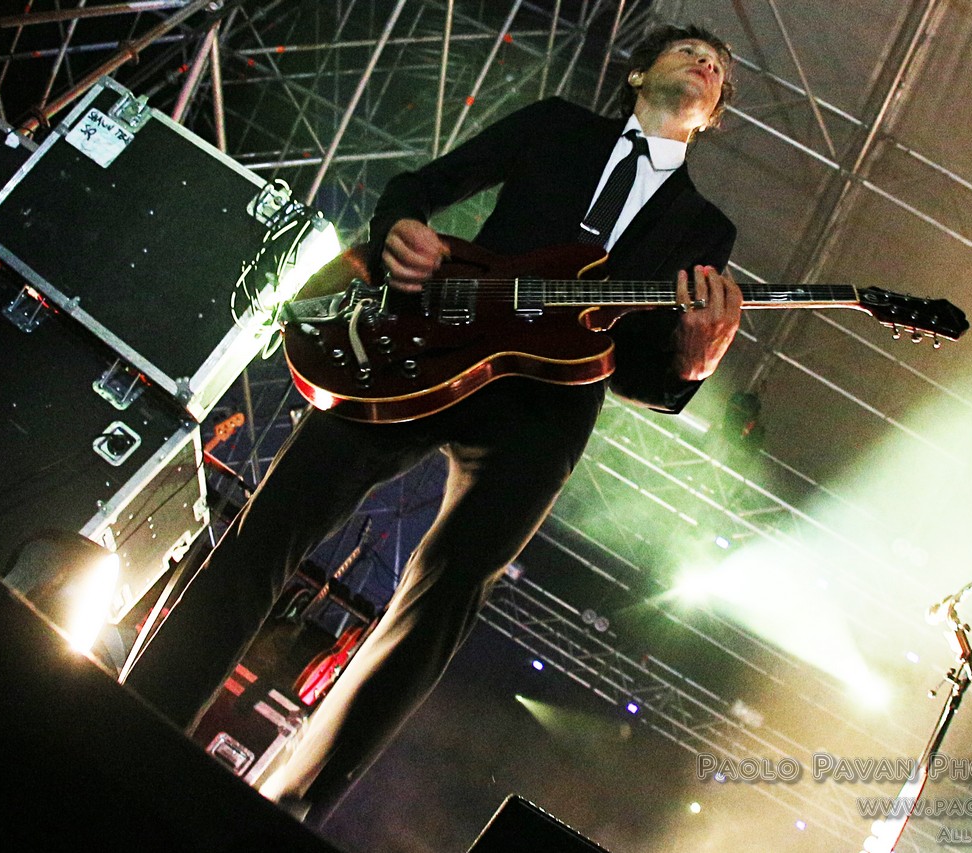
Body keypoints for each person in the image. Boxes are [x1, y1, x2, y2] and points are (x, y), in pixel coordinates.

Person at [123, 22, 744, 825]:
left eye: (717, 70)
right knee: (275, 520)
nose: (705, 64)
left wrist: (690, 364)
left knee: (443, 599)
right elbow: (419, 186)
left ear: (711, 117)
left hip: (545, 412)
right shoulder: (557, 125)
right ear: (638, 75)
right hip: (429, 343)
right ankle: (134, 715)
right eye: (690, 51)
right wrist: (400, 233)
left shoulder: (705, 227)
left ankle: (293, 807)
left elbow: (640, 372)